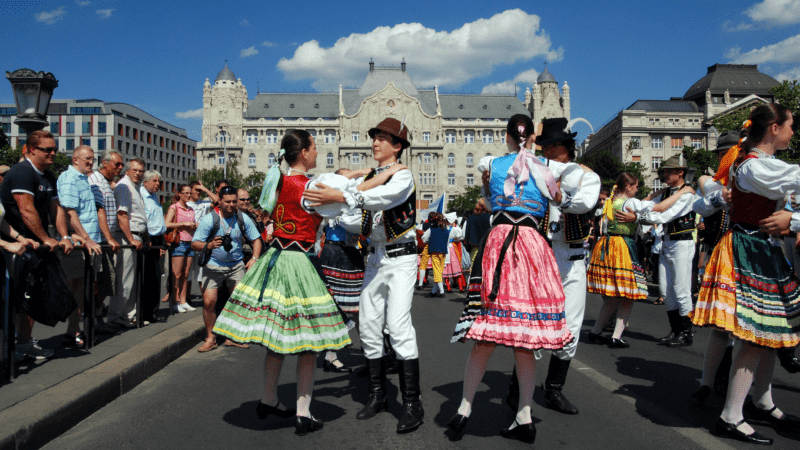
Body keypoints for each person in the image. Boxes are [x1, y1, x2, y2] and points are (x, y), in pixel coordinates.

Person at [212, 130, 350, 436]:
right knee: (308, 342)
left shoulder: (278, 179)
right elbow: (345, 198)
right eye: (314, 149)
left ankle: (269, 398)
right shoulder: (309, 185)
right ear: (303, 153)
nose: (317, 153)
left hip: (275, 258)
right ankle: (303, 412)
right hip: (299, 262)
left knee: (276, 338)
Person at [448, 114, 572, 443]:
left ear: (506, 136)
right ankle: (524, 416)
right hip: (532, 245)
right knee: (524, 343)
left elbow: (489, 194)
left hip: (500, 241)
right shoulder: (550, 168)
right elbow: (570, 197)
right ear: (532, 137)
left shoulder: (491, 164)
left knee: (484, 335)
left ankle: (464, 408)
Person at [304, 117, 423, 433]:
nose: (375, 143)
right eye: (374, 137)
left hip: (401, 259)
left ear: (397, 146)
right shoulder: (371, 177)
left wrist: (343, 196)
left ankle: (413, 403)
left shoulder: (402, 175)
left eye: (382, 138)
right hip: (374, 259)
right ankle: (378, 393)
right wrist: (332, 209)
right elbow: (359, 219)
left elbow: (382, 199)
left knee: (397, 325)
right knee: (369, 326)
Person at [691, 103, 800, 445]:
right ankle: (730, 415)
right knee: (754, 335)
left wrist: (791, 219)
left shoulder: (758, 164)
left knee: (769, 335)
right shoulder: (754, 166)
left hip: (761, 247)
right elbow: (792, 179)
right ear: (774, 129)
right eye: (791, 125)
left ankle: (761, 400)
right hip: (750, 248)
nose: (793, 131)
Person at [534, 117, 601, 415]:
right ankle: (518, 387)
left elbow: (583, 204)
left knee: (570, 325)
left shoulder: (587, 176)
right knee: (531, 322)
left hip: (572, 256)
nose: (543, 152)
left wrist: (560, 185)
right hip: (540, 252)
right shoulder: (535, 170)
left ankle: (554, 389)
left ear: (561, 146)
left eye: (547, 147)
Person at [0, 130, 72, 359]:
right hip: (16, 245)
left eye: (54, 149)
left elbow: (55, 209)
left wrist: (64, 236)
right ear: (31, 150)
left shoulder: (48, 176)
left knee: (35, 296)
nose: (53, 153)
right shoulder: (22, 173)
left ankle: (23, 343)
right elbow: (26, 210)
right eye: (47, 149)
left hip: (33, 244)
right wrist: (45, 239)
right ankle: (12, 347)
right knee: (18, 298)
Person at [191, 185, 262, 353]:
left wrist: (254, 258)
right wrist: (209, 245)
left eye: (234, 201)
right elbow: (194, 243)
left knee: (237, 302)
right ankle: (211, 338)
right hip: (213, 266)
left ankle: (232, 337)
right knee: (209, 302)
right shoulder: (210, 219)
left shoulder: (242, 218)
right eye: (227, 201)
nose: (231, 205)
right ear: (220, 201)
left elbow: (256, 239)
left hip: (236, 266)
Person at [57, 145, 103, 347]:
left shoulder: (84, 179)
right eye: (87, 159)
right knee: (75, 285)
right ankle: (73, 331)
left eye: (93, 159)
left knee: (82, 287)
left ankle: (75, 330)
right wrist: (86, 238)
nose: (91, 162)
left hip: (89, 242)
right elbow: (69, 211)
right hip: (80, 243)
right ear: (75, 159)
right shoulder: (69, 179)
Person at [88, 150, 124, 329]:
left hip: (106, 239)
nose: (120, 168)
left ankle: (97, 316)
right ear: (105, 163)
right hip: (100, 240)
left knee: (106, 282)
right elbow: (98, 211)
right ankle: (92, 319)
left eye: (121, 165)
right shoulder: (95, 181)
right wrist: (108, 238)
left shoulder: (107, 183)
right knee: (99, 282)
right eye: (117, 164)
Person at [110, 158, 148, 328]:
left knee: (131, 280)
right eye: (135, 170)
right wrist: (131, 239)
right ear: (127, 171)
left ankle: (129, 314)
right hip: (127, 237)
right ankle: (119, 315)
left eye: (141, 171)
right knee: (125, 280)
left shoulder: (135, 188)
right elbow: (122, 215)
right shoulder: (124, 187)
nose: (138, 174)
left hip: (134, 236)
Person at [140, 170, 167, 323]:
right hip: (147, 238)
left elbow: (157, 219)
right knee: (147, 277)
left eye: (159, 181)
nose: (158, 184)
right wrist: (148, 238)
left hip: (157, 239)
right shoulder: (142, 196)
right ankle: (145, 312)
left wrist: (162, 240)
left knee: (156, 276)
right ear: (146, 181)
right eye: (155, 181)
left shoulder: (155, 197)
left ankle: (153, 311)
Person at [165, 184, 197, 313]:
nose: (188, 195)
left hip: (190, 242)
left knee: (185, 274)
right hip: (179, 242)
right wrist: (183, 224)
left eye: (190, 193)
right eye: (186, 193)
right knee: (176, 274)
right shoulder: (174, 207)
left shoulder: (190, 209)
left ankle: (183, 301)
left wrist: (194, 225)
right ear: (179, 194)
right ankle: (175, 301)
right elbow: (167, 224)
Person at [421, 212, 461, 298]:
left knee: (437, 272)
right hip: (443, 253)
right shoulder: (446, 230)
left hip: (435, 252)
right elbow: (448, 241)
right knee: (439, 271)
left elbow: (424, 238)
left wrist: (430, 242)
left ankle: (442, 292)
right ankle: (434, 291)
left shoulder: (431, 229)